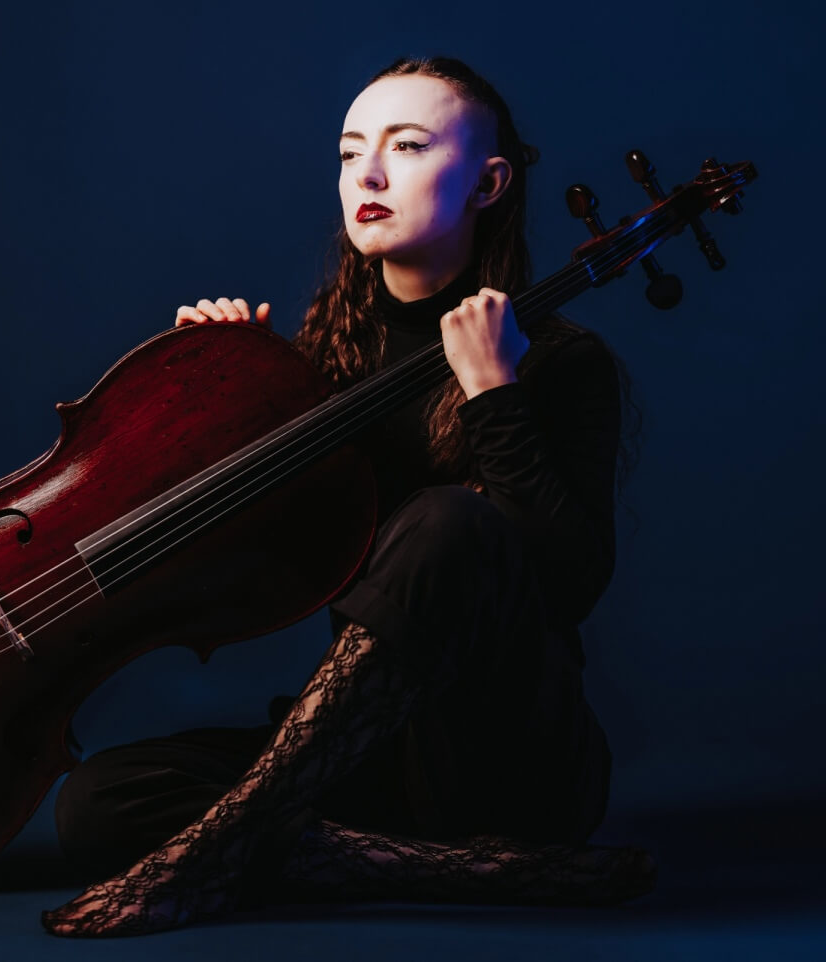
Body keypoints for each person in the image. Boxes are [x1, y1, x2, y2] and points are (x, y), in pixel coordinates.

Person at [40, 56, 655, 938]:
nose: (366, 175)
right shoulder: (322, 361)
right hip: (360, 750)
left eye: (407, 147)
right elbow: (270, 573)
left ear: (489, 183)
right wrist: (220, 411)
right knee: (96, 806)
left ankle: (225, 850)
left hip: (511, 758)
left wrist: (495, 397)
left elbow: (572, 583)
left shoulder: (557, 360)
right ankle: (478, 875)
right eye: (348, 152)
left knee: (451, 520)